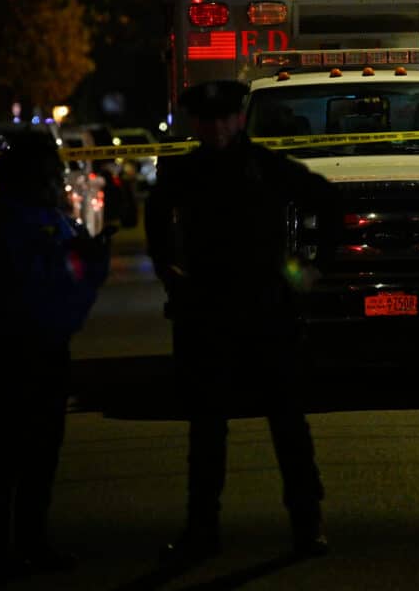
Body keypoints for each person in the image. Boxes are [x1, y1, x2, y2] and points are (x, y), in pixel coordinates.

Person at [144, 79, 337, 564]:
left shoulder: (265, 167)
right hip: (208, 313)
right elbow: (155, 215)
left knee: (286, 422)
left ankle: (306, 523)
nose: (214, 128)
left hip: (266, 311)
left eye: (222, 118)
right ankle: (202, 531)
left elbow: (327, 201)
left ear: (237, 119)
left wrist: (316, 266)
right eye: (206, 120)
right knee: (207, 428)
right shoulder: (188, 173)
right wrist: (169, 271)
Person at [0, 130, 112, 584]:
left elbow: (72, 271)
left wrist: (89, 256)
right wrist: (79, 259)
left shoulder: (40, 215)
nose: (57, 180)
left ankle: (30, 542)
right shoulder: (7, 220)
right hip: (17, 346)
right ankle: (0, 550)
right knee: (11, 451)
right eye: (51, 171)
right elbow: (23, 280)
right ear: (33, 174)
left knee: (41, 450)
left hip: (44, 344)